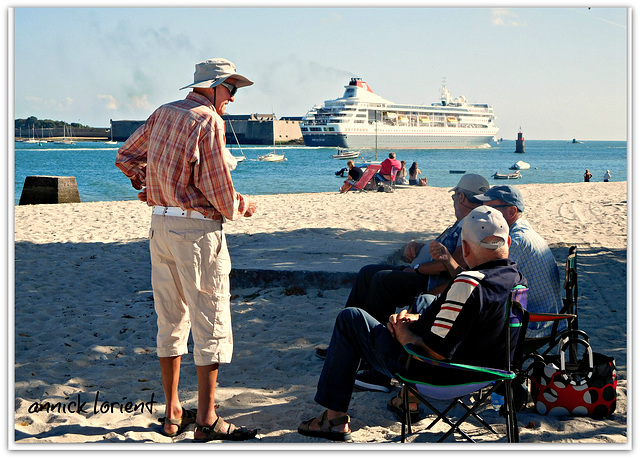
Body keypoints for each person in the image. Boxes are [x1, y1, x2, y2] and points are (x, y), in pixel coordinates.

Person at [115, 58, 258, 442]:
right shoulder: (209, 120)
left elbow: (125, 156)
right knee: (209, 319)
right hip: (195, 231)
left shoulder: (164, 112)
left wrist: (146, 185)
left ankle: (173, 411)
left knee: (170, 318)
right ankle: (208, 418)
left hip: (159, 226)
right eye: (231, 89)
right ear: (215, 87)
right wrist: (242, 204)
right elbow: (218, 191)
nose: (233, 97)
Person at [298, 206, 526, 441]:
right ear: (507, 241)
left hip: (441, 375)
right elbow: (475, 320)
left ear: (465, 249)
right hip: (490, 373)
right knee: (425, 302)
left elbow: (434, 352)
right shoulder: (516, 279)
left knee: (351, 318)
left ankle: (334, 420)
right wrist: (418, 319)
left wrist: (402, 331)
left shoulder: (469, 284)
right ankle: (407, 402)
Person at [316, 173, 490, 393]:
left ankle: (375, 358)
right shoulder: (469, 221)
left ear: (462, 197)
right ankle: (347, 344)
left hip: (431, 282)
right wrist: (420, 248)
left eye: (454, 196)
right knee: (367, 273)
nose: (454, 201)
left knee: (382, 282)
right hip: (426, 273)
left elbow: (455, 262)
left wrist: (417, 267)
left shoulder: (471, 223)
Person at [432, 185, 564, 339]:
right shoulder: (521, 231)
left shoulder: (514, 241)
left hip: (533, 326)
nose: (486, 214)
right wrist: (449, 260)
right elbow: (481, 284)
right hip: (541, 319)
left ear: (511, 212)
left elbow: (478, 288)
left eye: (491, 209)